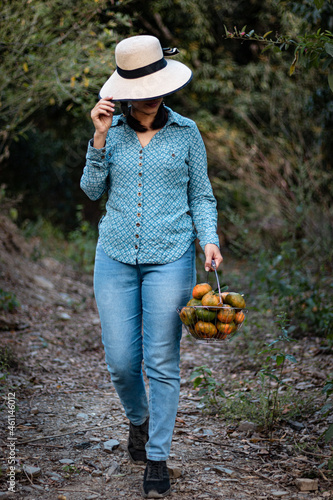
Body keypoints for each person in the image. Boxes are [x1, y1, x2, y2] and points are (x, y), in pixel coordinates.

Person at [80, 34, 223, 498]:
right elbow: (90, 191)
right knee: (122, 361)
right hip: (115, 256)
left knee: (161, 360)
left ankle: (157, 457)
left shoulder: (187, 132)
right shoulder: (112, 132)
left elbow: (201, 194)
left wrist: (210, 240)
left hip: (171, 257)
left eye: (158, 85)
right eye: (143, 88)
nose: (154, 95)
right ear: (125, 91)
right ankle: (138, 421)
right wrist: (98, 138)